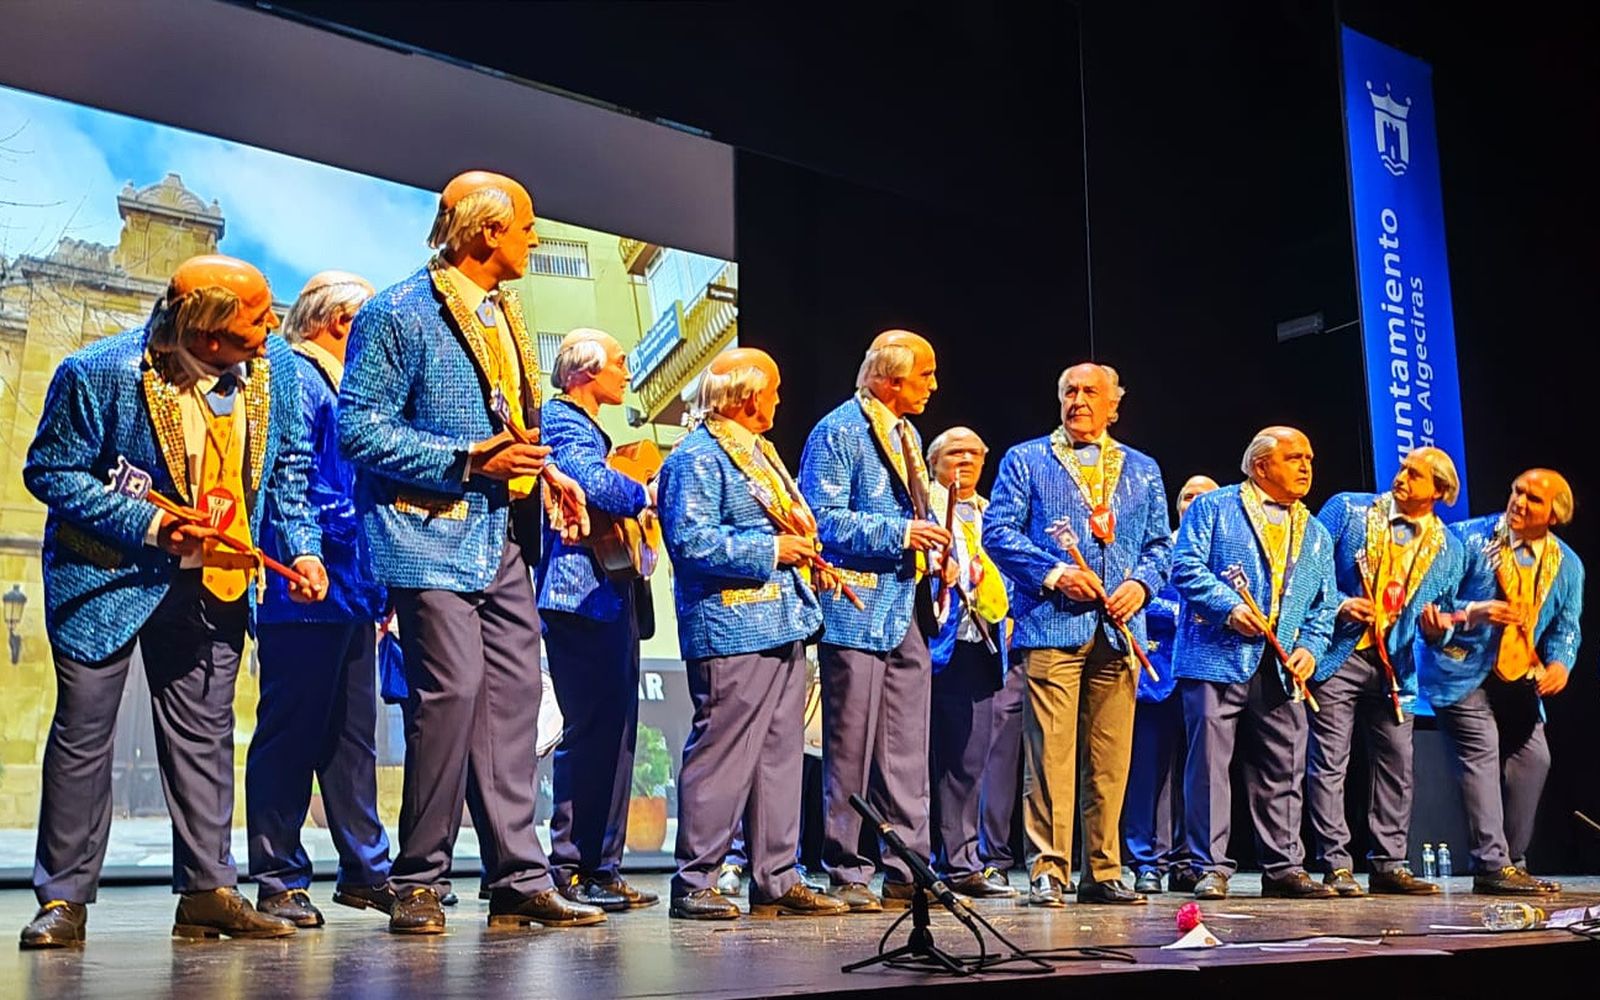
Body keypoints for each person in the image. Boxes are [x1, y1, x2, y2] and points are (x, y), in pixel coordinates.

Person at [21, 255, 328, 947]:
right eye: (256, 316)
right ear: (208, 331)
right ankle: (63, 901)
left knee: (204, 740)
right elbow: (49, 470)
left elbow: (287, 475)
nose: (272, 325)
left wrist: (302, 551)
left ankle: (207, 893)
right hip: (102, 578)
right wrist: (153, 524)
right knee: (84, 736)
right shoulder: (97, 373)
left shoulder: (270, 374)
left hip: (213, 580)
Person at [339, 170, 599, 934]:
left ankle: (518, 876)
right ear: (487, 232)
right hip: (426, 537)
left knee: (515, 706)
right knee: (448, 701)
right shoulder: (397, 313)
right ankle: (417, 880)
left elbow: (508, 430)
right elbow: (360, 431)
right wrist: (465, 461)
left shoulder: (505, 314)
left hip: (503, 543)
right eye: (525, 227)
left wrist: (548, 475)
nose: (534, 239)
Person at [660, 348, 849, 920]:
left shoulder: (760, 451)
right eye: (773, 390)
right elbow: (690, 543)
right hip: (731, 626)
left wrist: (803, 554)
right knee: (722, 757)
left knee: (779, 757)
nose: (779, 399)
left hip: (783, 622)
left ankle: (776, 876)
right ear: (746, 397)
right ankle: (695, 880)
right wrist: (772, 549)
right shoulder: (695, 457)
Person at [985, 363, 1171, 907]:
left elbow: (1161, 546)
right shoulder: (1027, 459)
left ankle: (1104, 869)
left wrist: (1141, 584)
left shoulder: (1142, 468)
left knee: (1111, 758)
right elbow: (998, 532)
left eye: (1091, 392)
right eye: (1069, 390)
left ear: (1116, 403)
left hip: (1120, 629)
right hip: (1051, 623)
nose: (1078, 400)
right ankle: (1048, 867)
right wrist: (1054, 573)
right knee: (1049, 757)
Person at [247, 271, 395, 927]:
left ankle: (365, 870)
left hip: (350, 588)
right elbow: (295, 478)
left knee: (351, 737)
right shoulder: (295, 377)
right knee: (292, 733)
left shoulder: (339, 384)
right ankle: (279, 875)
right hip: (302, 581)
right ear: (340, 321)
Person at [798, 330, 951, 912]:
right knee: (850, 748)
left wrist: (935, 549)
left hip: (905, 604)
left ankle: (908, 866)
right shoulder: (838, 431)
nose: (933, 386)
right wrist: (902, 533)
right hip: (857, 606)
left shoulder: (908, 434)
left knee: (908, 746)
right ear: (889, 381)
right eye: (925, 375)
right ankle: (846, 868)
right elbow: (824, 521)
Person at [1170, 426, 1338, 900]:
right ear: (1261, 466)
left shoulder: (1318, 532)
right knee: (1207, 767)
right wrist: (1229, 607)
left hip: (1282, 666)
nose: (1306, 466)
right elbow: (1185, 567)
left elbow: (1325, 605)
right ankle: (1209, 866)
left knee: (1285, 766)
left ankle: (1284, 866)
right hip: (1215, 656)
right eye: (1294, 458)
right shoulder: (1213, 507)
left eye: (1309, 457)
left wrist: (1311, 647)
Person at [1307, 448, 1465, 896]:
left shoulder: (1450, 549)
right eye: (1402, 469)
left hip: (1395, 666)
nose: (1402, 478)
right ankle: (1336, 863)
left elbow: (1446, 618)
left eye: (1415, 475)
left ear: (1439, 491)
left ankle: (1389, 863)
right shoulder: (1349, 508)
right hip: (1340, 652)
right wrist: (1340, 602)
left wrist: (1438, 633)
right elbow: (1306, 571)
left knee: (1397, 766)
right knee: (1330, 762)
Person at [537, 327, 659, 911]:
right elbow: (589, 481)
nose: (625, 372)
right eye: (618, 362)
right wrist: (644, 494)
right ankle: (570, 865)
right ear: (584, 372)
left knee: (615, 736)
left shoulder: (591, 428)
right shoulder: (561, 420)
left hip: (607, 592)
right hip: (578, 596)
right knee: (589, 733)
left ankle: (601, 865)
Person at [1419, 469, 1583, 896]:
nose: (1519, 502)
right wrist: (1469, 613)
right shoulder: (1467, 539)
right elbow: (1432, 602)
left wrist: (1560, 664)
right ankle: (1492, 863)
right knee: (1481, 748)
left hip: (1519, 676)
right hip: (1461, 668)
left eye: (1532, 499)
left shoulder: (1566, 564)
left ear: (1554, 515)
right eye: (1517, 491)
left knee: (1534, 760)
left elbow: (1567, 628)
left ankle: (1512, 860)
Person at [924, 427, 1014, 898]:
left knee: (969, 760)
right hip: (929, 644)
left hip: (980, 647)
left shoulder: (992, 515)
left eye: (976, 454)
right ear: (933, 458)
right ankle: (915, 867)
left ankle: (962, 863)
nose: (966, 460)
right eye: (955, 451)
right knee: (921, 761)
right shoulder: (922, 505)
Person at [1123, 474, 1216, 894]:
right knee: (1150, 771)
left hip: (1205, 671)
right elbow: (1143, 597)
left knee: (1198, 772)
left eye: (1204, 496)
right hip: (1157, 670)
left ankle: (1188, 860)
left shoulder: (1224, 548)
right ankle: (1147, 860)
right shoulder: (1162, 548)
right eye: (1187, 495)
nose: (1194, 502)